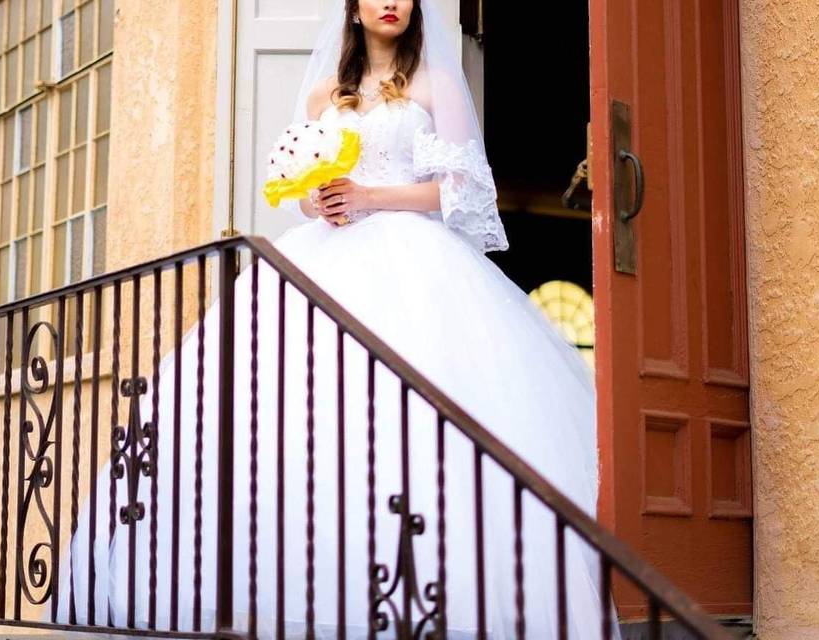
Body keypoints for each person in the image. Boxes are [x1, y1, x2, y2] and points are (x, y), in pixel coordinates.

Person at [55, 0, 619, 637]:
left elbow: (464, 189)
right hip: (328, 260)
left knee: (419, 421)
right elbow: (299, 189)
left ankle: (438, 599)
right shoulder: (328, 92)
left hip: (416, 260)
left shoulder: (435, 83)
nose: (391, 3)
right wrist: (320, 199)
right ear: (352, 10)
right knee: (299, 417)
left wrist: (373, 197)